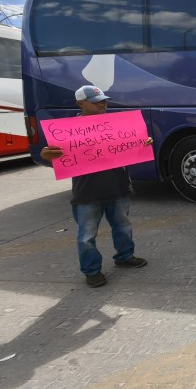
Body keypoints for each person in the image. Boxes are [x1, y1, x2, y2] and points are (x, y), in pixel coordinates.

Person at [39, 85, 150, 288]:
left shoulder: (117, 126)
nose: (103, 104)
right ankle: (92, 271)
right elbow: (48, 152)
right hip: (87, 193)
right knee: (86, 236)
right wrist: (45, 154)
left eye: (104, 100)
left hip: (118, 187)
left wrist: (143, 143)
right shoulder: (67, 132)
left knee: (123, 227)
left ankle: (125, 256)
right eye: (96, 101)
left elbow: (132, 147)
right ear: (80, 103)